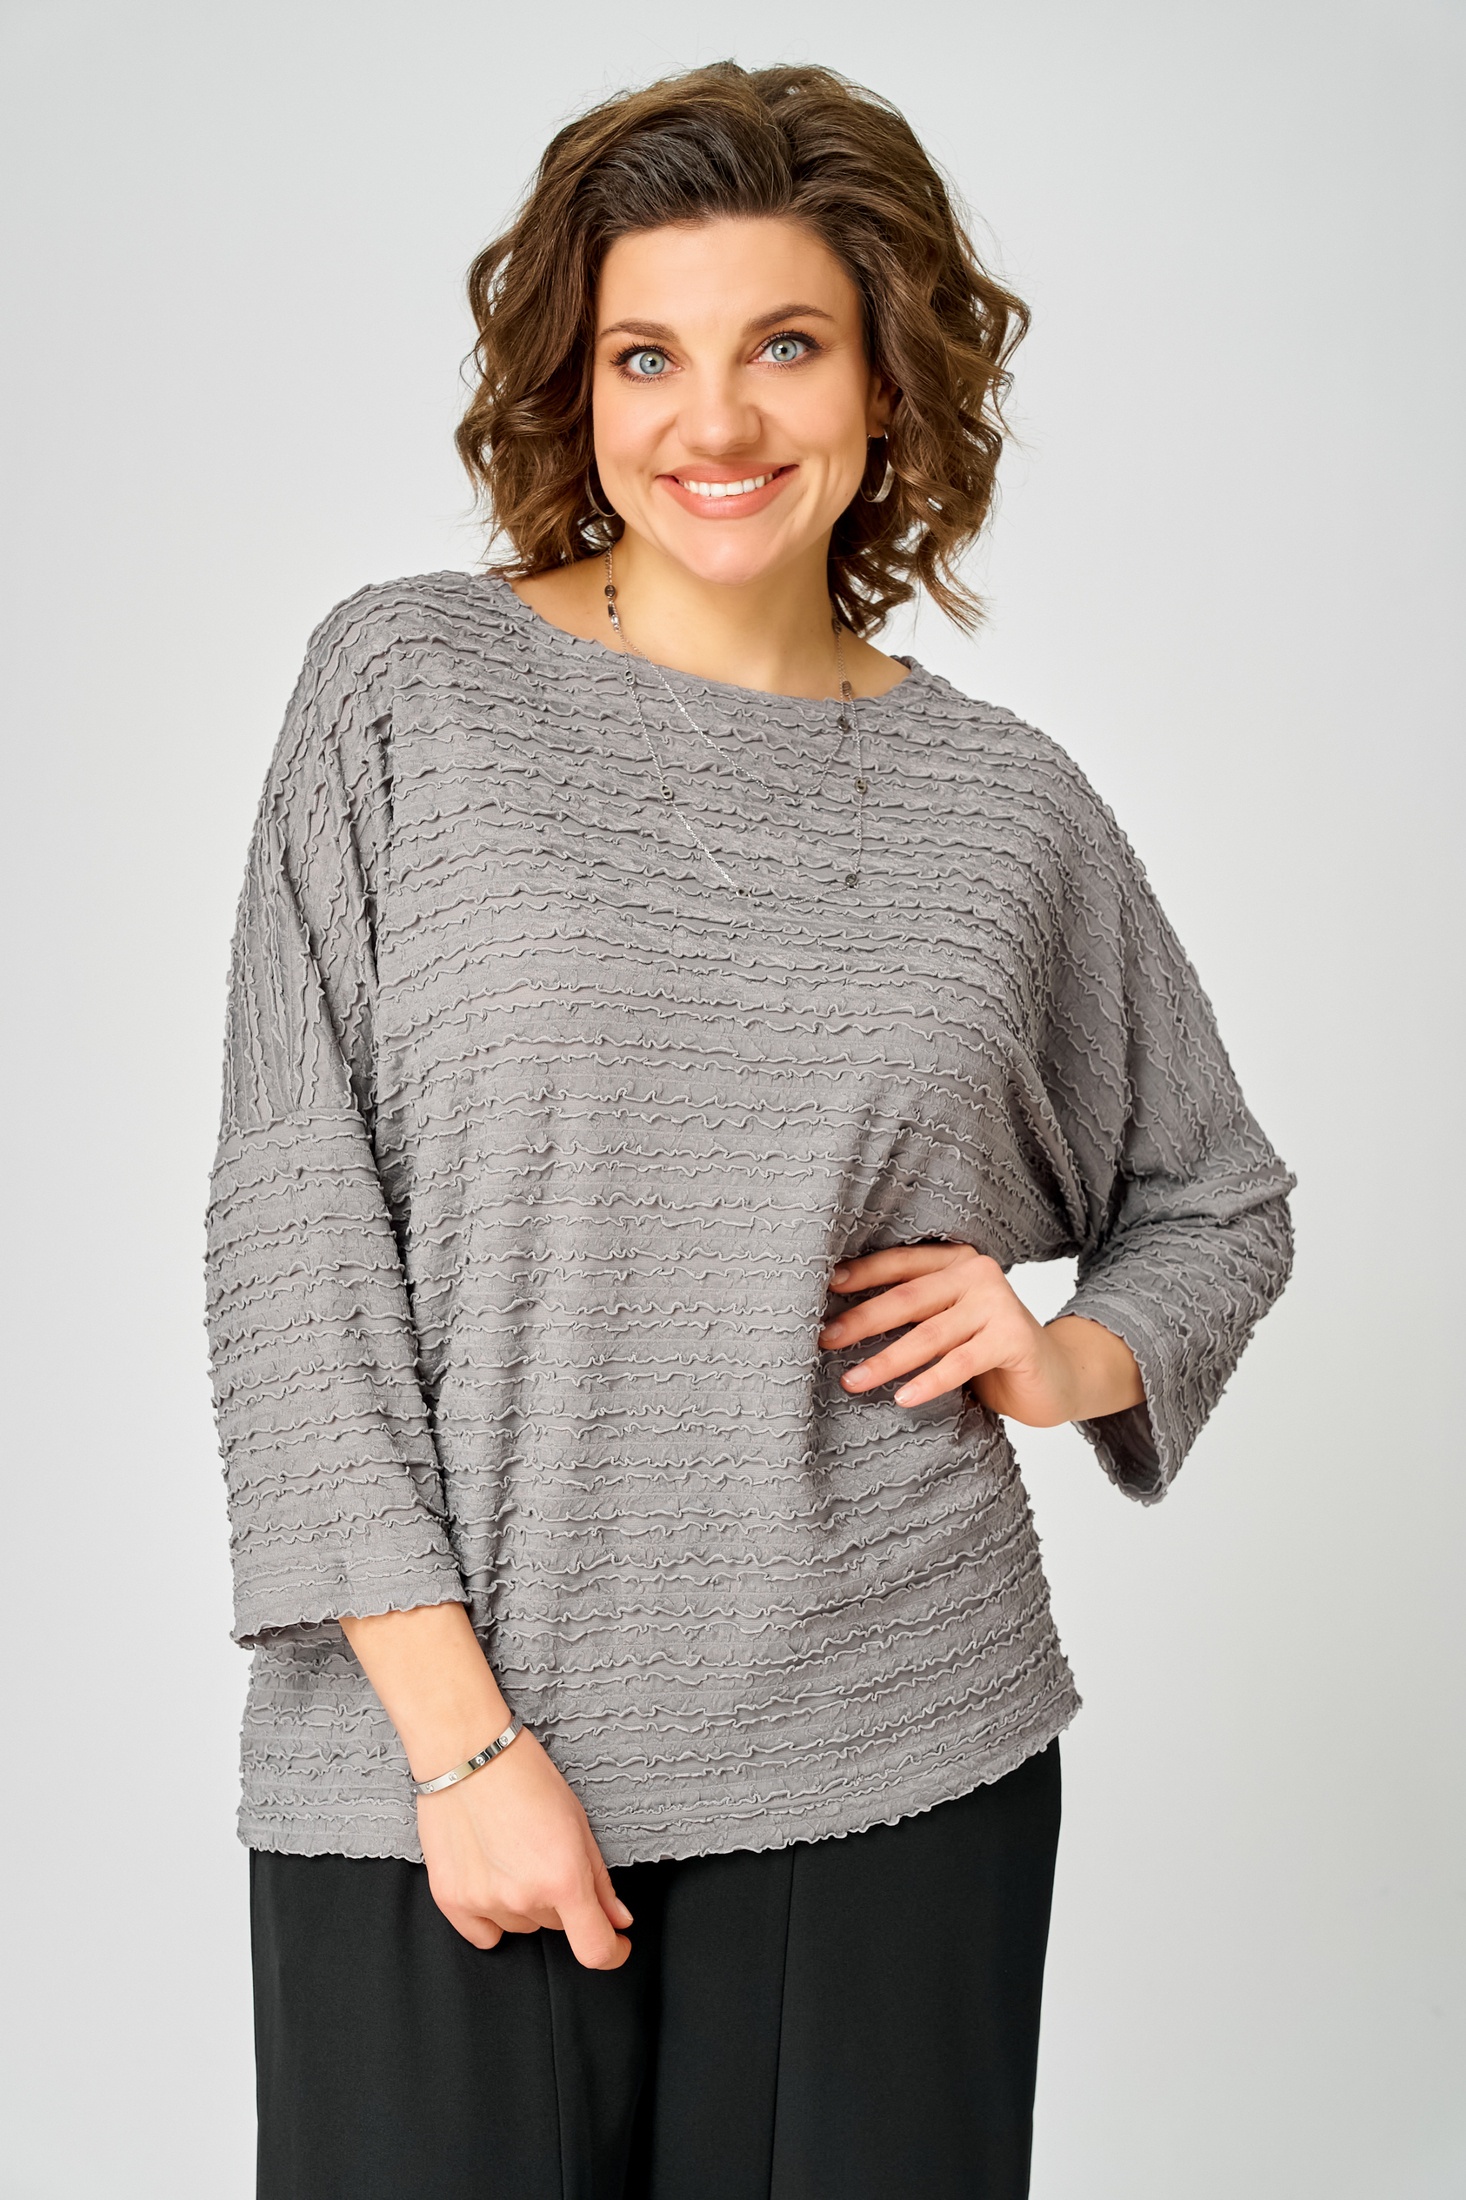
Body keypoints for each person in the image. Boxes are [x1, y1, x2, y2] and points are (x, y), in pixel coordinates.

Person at [205, 59, 1295, 2200]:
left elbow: (1216, 1198)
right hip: (439, 1766)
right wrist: (465, 1744)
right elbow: (290, 1236)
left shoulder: (1006, 810)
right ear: (576, 386)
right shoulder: (405, 688)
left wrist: (1068, 1353)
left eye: (783, 345)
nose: (714, 421)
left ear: (886, 383)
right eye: (647, 356)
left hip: (894, 1737)